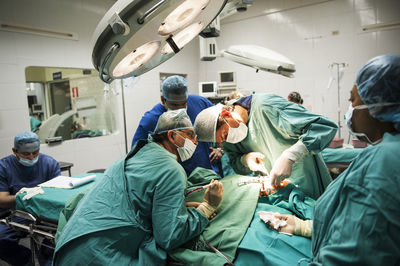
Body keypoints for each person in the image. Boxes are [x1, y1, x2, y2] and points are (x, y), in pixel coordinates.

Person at [270, 54, 400, 265]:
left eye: (353, 100)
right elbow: (365, 227)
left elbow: (355, 253)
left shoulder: (383, 162)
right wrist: (307, 226)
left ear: (378, 104)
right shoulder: (387, 151)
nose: (351, 109)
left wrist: (290, 155)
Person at [53, 109, 224, 265]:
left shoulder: (136, 155)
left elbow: (134, 197)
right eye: (190, 135)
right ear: (172, 136)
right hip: (98, 256)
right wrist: (206, 208)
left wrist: (179, 207)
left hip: (70, 245)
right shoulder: (171, 169)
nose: (195, 142)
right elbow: (170, 237)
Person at [194, 93, 338, 199]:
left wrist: (291, 155)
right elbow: (235, 163)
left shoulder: (267, 107)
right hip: (281, 194)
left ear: (226, 114)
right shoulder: (230, 141)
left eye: (224, 135)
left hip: (308, 186)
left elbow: (323, 127)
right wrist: (245, 160)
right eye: (221, 141)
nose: (226, 141)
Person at [132, 75, 223, 176]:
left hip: (206, 172)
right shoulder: (151, 120)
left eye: (183, 103)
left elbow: (220, 121)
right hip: (175, 178)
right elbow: (136, 153)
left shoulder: (199, 103)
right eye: (174, 105)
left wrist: (220, 148)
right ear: (163, 100)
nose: (180, 109)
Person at [0, 131, 60, 265]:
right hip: (14, 214)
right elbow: (2, 200)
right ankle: (25, 259)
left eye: (35, 152)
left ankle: (46, 256)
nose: (31, 157)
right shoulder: (3, 167)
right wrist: (22, 197)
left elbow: (58, 194)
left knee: (56, 238)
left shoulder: (50, 164)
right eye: (26, 154)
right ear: (15, 151)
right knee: (1, 239)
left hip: (44, 213)